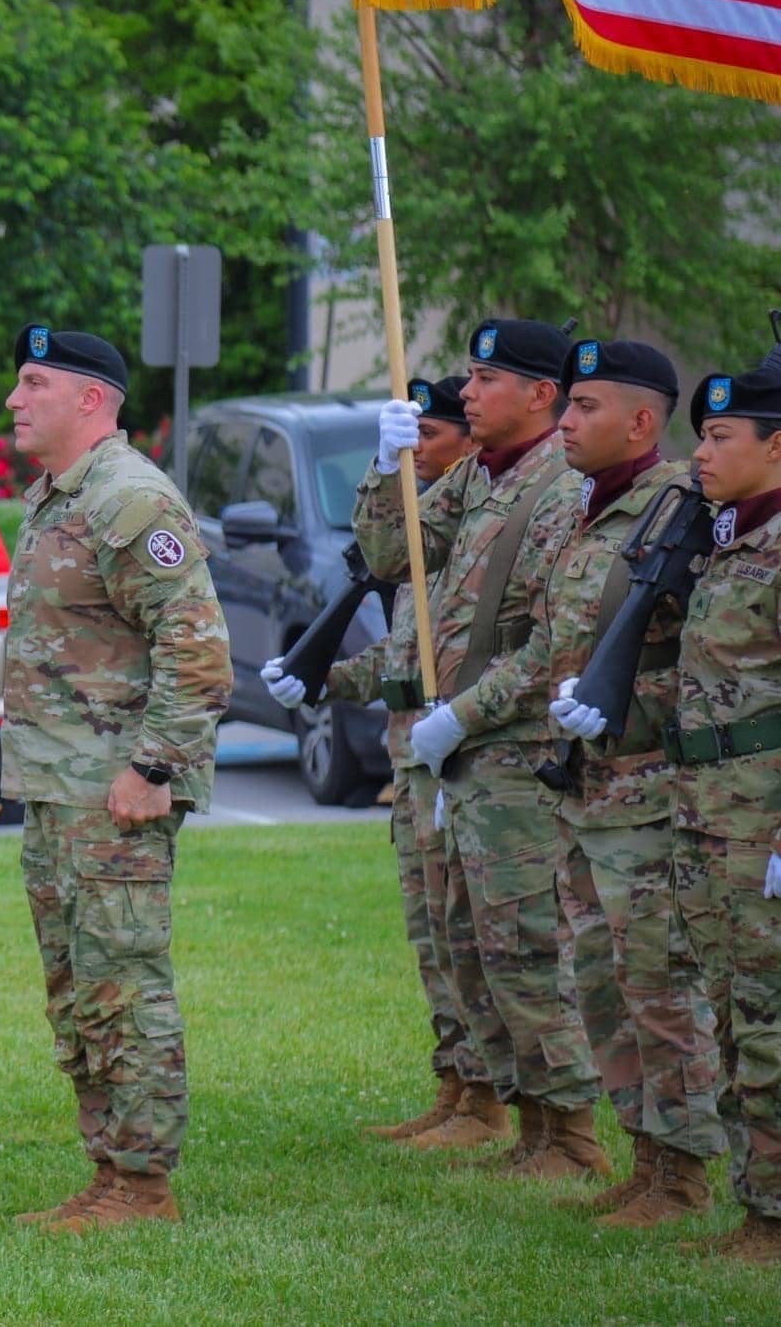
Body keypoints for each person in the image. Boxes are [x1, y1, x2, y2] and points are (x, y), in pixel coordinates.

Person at [354, 318, 611, 1179]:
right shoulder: (476, 476)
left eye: (486, 380)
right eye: (468, 376)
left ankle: (569, 1132)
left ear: (542, 395)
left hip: (515, 746)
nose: (467, 394)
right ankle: (521, 1117)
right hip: (462, 751)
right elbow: (394, 557)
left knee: (525, 941)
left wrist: (463, 714)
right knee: (470, 940)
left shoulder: (559, 487)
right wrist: (386, 470)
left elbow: (550, 639)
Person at [0, 324, 231, 1231]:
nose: (15, 400)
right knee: (77, 988)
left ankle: (144, 1184)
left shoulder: (130, 500)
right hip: (63, 788)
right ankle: (108, 1172)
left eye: (33, 383)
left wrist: (152, 767)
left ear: (91, 399)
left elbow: (200, 648)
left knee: (123, 986)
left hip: (114, 792)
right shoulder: (64, 497)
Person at [261, 377, 490, 1144]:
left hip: (467, 755)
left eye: (431, 434)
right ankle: (457, 1083)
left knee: (468, 935)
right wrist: (319, 677)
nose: (419, 449)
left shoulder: (477, 522)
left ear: (467, 440)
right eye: (410, 435)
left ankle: (493, 1099)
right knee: (430, 932)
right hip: (411, 760)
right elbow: (400, 655)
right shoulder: (424, 525)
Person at [530, 339, 725, 1227]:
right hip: (584, 792)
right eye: (565, 405)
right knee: (604, 983)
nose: (564, 422)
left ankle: (683, 1174)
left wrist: (624, 707)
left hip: (647, 797)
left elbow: (714, 660)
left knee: (657, 986)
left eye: (585, 408)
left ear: (642, 421)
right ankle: (646, 1157)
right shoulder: (588, 510)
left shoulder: (683, 513)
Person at [661, 359, 780, 1260]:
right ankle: (757, 1204)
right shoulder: (731, 541)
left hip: (761, 825)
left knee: (770, 1020)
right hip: (710, 817)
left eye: (719, 436)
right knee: (733, 1013)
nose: (699, 452)